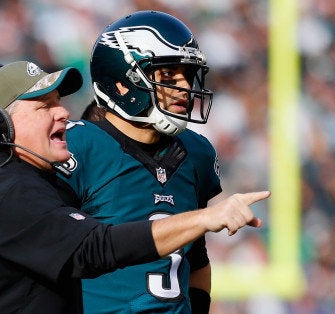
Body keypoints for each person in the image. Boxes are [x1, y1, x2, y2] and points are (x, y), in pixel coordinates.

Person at [0, 60, 269, 314]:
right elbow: (97, 248)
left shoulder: (21, 179)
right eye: (44, 106)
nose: (63, 113)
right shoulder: (7, 190)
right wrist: (205, 218)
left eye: (60, 103)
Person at [60, 11, 228, 313]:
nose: (185, 87)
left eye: (187, 75)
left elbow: (196, 260)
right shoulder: (76, 145)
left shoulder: (196, 153)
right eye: (167, 75)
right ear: (123, 83)